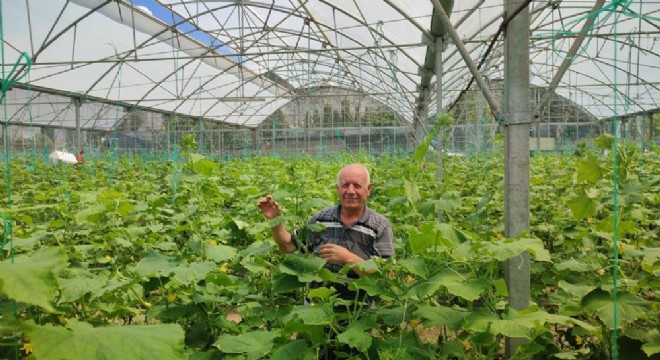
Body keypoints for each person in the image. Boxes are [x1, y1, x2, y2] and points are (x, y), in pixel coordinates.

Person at [257, 163, 394, 305]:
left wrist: (348, 258)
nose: (350, 191)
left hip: (358, 310)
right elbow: (288, 245)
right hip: (317, 306)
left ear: (368, 189)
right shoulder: (321, 219)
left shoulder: (379, 225)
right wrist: (275, 221)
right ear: (337, 189)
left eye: (357, 185)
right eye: (345, 185)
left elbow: (387, 277)